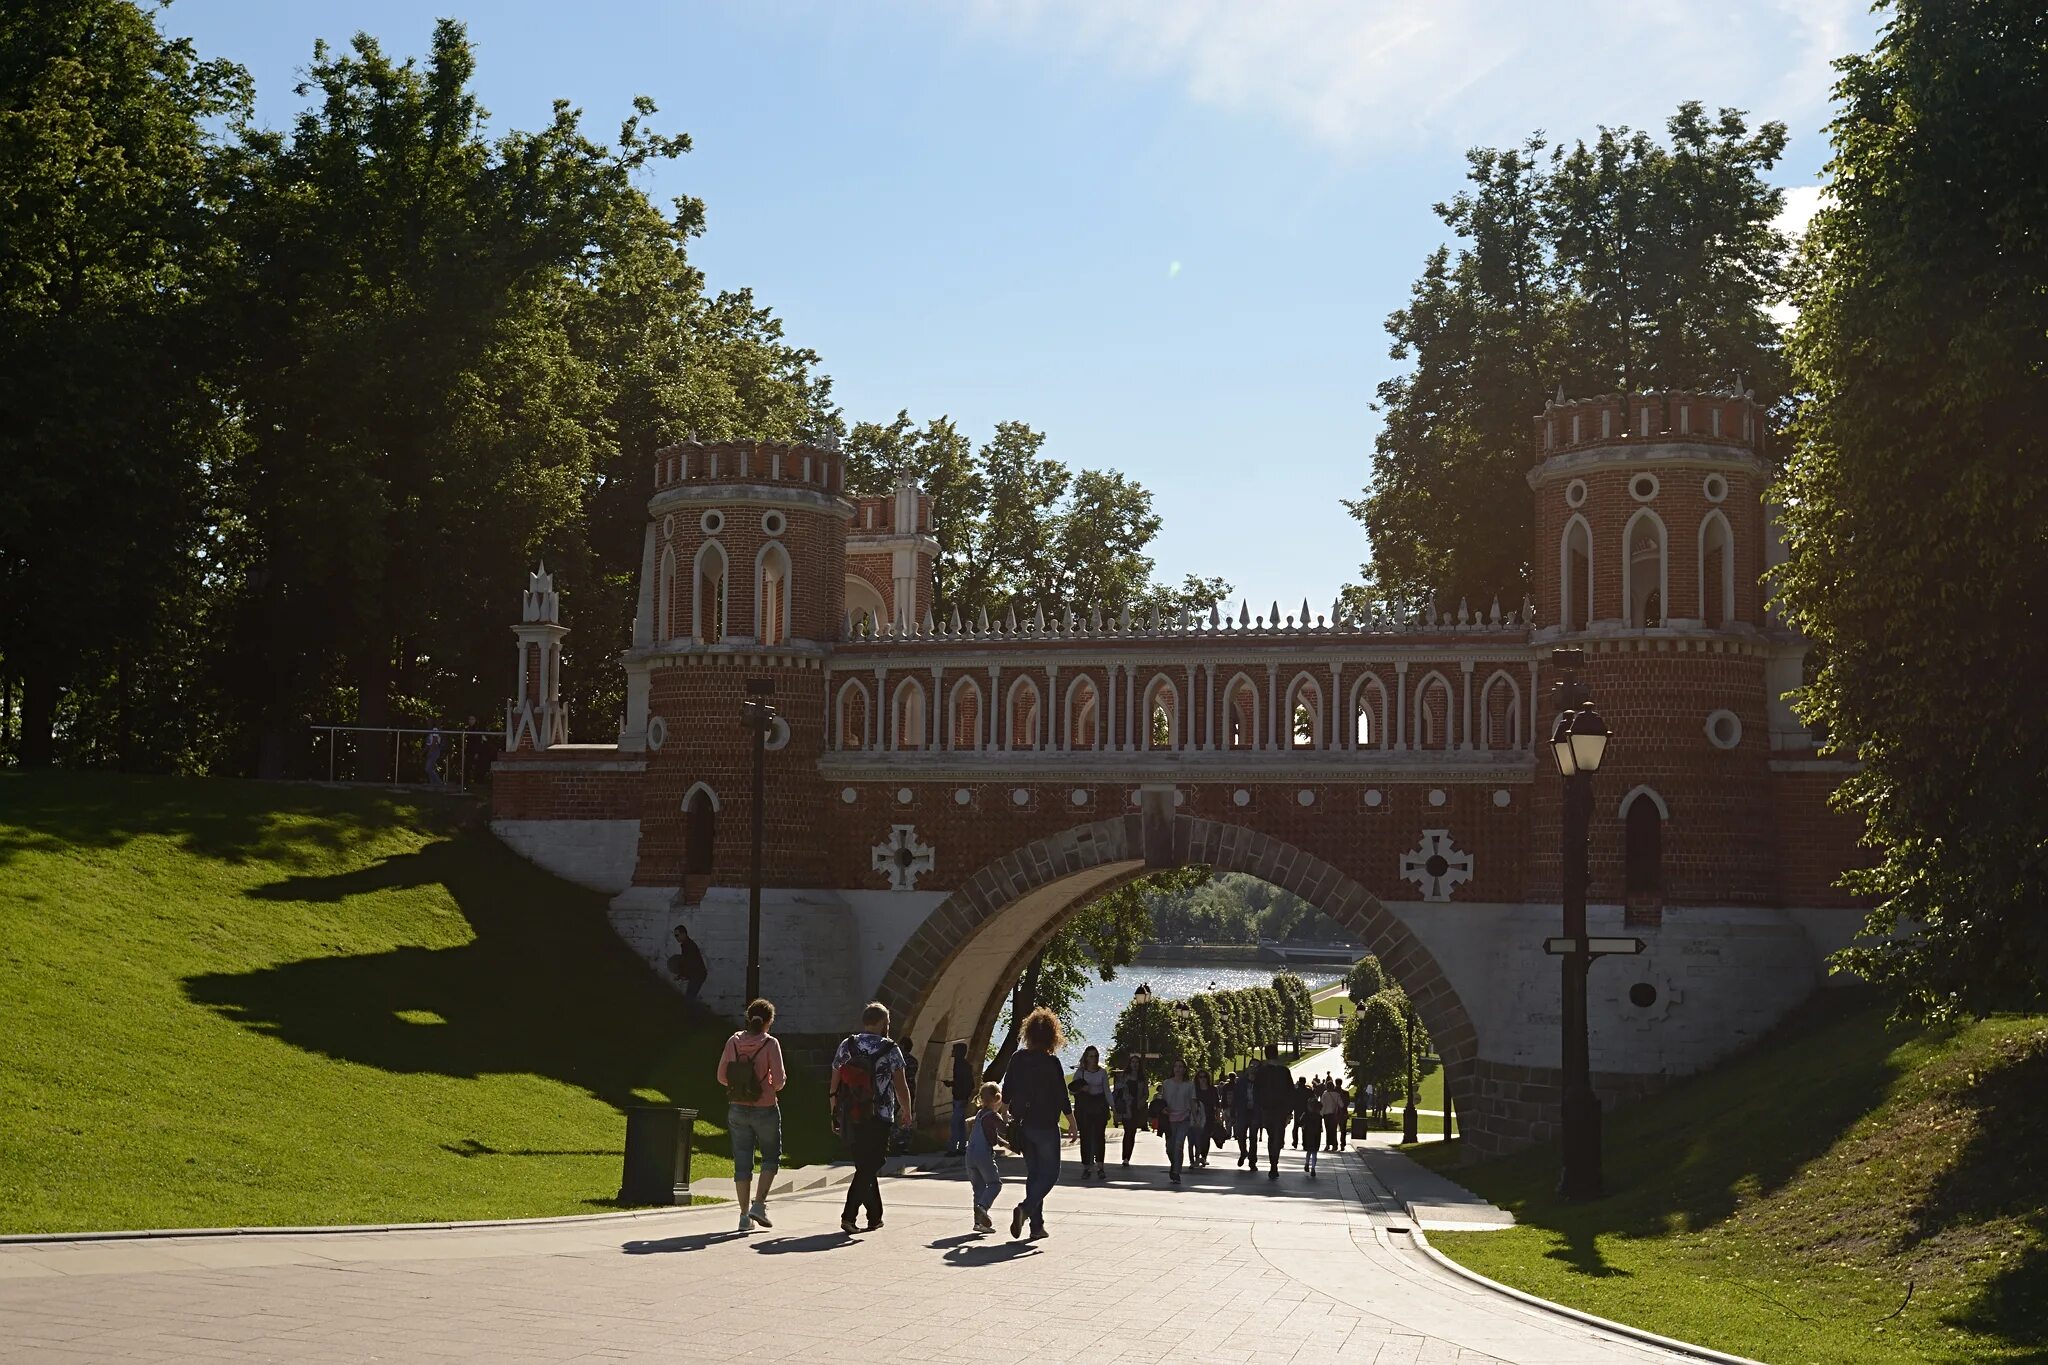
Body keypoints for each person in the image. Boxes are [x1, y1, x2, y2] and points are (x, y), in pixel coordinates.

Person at [830, 1002, 914, 1234]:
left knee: (864, 1164)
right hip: (879, 1114)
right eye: (887, 1022)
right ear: (882, 1023)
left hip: (851, 1112)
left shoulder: (847, 1045)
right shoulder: (891, 1049)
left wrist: (834, 1111)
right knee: (872, 1164)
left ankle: (875, 1217)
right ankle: (849, 1215)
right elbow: (901, 1085)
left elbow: (835, 1081)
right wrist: (907, 1110)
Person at [1001, 1007, 1074, 1239]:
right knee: (1050, 1174)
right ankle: (1026, 1208)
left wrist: (1004, 1111)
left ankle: (1036, 1226)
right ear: (1053, 1035)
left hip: (1024, 1124)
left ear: (1029, 1033)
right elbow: (1062, 1094)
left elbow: (1008, 1088)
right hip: (1045, 1124)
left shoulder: (1017, 1058)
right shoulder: (1051, 1063)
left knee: (1034, 1174)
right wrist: (1072, 1121)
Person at [717, 998, 787, 1233]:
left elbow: (721, 1076)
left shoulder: (733, 1042)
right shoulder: (770, 1043)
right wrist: (767, 1083)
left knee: (742, 1161)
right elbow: (778, 1082)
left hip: (737, 1106)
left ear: (748, 1018)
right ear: (769, 1021)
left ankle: (744, 1216)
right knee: (770, 1157)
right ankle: (759, 1204)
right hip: (765, 1107)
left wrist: (740, 1083)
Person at [965, 1082, 1014, 1231]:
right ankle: (983, 1207)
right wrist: (1013, 1124)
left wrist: (1005, 1145)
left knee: (978, 1188)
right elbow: (1004, 1130)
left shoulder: (979, 1115)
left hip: (970, 1154)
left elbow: (990, 1135)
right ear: (998, 1098)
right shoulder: (993, 1116)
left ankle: (978, 1223)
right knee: (994, 1184)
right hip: (983, 1154)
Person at [1252, 1044, 1294, 1180]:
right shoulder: (1284, 1071)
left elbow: (1256, 1092)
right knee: (1277, 1137)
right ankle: (1274, 1163)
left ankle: (1273, 1163)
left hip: (1266, 1109)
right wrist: (1289, 1111)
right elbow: (1290, 1092)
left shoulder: (1261, 1072)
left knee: (1272, 1136)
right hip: (1280, 1110)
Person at [1070, 1046, 1111, 1178]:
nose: (1094, 1059)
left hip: (1099, 1107)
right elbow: (1072, 1090)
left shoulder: (1102, 1073)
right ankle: (1087, 1166)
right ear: (1086, 1058)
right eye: (1091, 1056)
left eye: (1095, 1056)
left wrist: (1113, 1107)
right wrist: (1082, 1088)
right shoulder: (1081, 1073)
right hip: (1085, 1109)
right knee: (1086, 1137)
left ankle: (1100, 1166)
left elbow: (1107, 1091)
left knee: (1099, 1136)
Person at [1161, 1060, 1196, 1185]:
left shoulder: (1189, 1085)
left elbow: (1192, 1102)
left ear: (1185, 1069)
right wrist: (1163, 1109)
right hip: (1170, 1119)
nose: (1178, 1069)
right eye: (1176, 1066)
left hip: (1184, 1119)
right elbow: (1162, 1101)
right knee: (1170, 1147)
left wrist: (1195, 1118)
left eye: (1181, 1067)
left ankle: (1176, 1172)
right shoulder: (1166, 1083)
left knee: (1178, 1144)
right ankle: (1174, 1163)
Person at [1114, 1059, 1148, 1168]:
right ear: (1130, 1064)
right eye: (1133, 1062)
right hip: (1126, 1107)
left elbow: (1146, 1093)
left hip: (1136, 1108)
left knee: (1132, 1132)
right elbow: (1118, 1090)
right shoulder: (1124, 1076)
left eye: (1137, 1062)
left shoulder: (1142, 1078)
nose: (1135, 1064)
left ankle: (1128, 1157)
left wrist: (1140, 1103)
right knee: (1127, 1131)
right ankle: (1125, 1157)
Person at [944, 1041, 974, 1155]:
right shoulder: (961, 1064)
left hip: (960, 1098)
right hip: (960, 1097)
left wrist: (954, 1085)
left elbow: (966, 1083)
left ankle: (952, 1148)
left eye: (954, 1050)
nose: (952, 1052)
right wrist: (952, 1084)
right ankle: (962, 1146)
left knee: (955, 1123)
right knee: (960, 1123)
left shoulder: (962, 1065)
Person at [668, 923, 707, 1009]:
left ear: (684, 934)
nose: (676, 937)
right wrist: (682, 974)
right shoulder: (686, 944)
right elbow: (687, 962)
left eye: (677, 935)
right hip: (697, 974)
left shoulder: (688, 946)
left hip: (698, 975)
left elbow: (689, 962)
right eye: (675, 935)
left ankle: (695, 1016)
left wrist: (683, 974)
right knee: (690, 998)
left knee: (689, 998)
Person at [1231, 1066, 1255, 1169]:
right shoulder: (1241, 1082)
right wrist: (1233, 1112)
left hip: (1254, 1112)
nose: (1253, 1069)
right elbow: (1235, 1097)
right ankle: (1243, 1152)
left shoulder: (1259, 1082)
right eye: (1251, 1066)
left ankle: (1252, 1161)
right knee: (1240, 1135)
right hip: (1243, 1112)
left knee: (1253, 1138)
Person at [1190, 1070, 1215, 1169]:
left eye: (1204, 1077)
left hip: (1209, 1116)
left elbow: (1216, 1104)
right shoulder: (1194, 1090)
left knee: (1206, 1137)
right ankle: (1196, 1157)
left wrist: (1218, 1117)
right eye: (1200, 1077)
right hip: (1197, 1116)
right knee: (1196, 1137)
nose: (1203, 1079)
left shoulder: (1212, 1089)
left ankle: (1203, 1156)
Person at [1299, 1080, 1323, 1178]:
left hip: (1308, 1134)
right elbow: (1321, 1127)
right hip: (1316, 1134)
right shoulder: (1319, 1116)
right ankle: (1313, 1167)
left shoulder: (1306, 1114)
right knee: (1314, 1152)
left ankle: (1306, 1163)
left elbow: (1300, 1122)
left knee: (1309, 1151)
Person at [1322, 1080, 1345, 1152]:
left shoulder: (1324, 1094)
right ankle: (1334, 1145)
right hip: (1334, 1115)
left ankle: (1327, 1145)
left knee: (1328, 1130)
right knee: (1333, 1130)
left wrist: (1321, 1114)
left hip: (1326, 1114)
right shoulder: (1337, 1095)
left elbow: (1322, 1105)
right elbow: (1341, 1105)